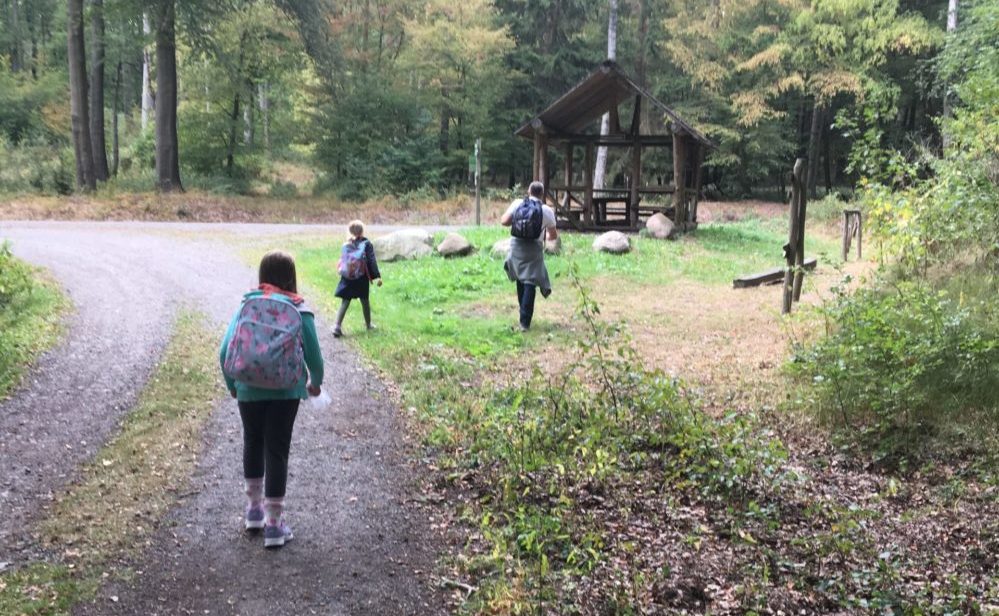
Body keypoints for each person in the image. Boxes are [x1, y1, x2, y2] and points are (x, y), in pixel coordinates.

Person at [220, 250, 324, 548]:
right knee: (276, 451)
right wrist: (314, 384)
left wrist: (233, 384)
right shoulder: (299, 310)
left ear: (262, 276)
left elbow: (224, 350)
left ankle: (253, 512)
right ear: (292, 276)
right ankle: (275, 527)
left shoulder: (246, 306)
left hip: (248, 388)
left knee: (252, 441)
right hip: (285, 391)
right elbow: (315, 358)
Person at [501, 181, 558, 331]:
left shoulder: (518, 203)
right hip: (534, 249)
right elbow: (553, 236)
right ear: (542, 194)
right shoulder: (546, 210)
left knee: (521, 278)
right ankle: (524, 322)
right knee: (530, 282)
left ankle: (523, 315)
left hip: (516, 246)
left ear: (528, 191)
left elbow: (504, 221)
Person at [333, 220, 382, 338]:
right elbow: (371, 260)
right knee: (365, 301)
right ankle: (368, 324)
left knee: (345, 302)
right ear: (362, 231)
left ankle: (337, 326)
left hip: (347, 277)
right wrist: (377, 275)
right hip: (361, 277)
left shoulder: (346, 244)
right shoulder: (366, 244)